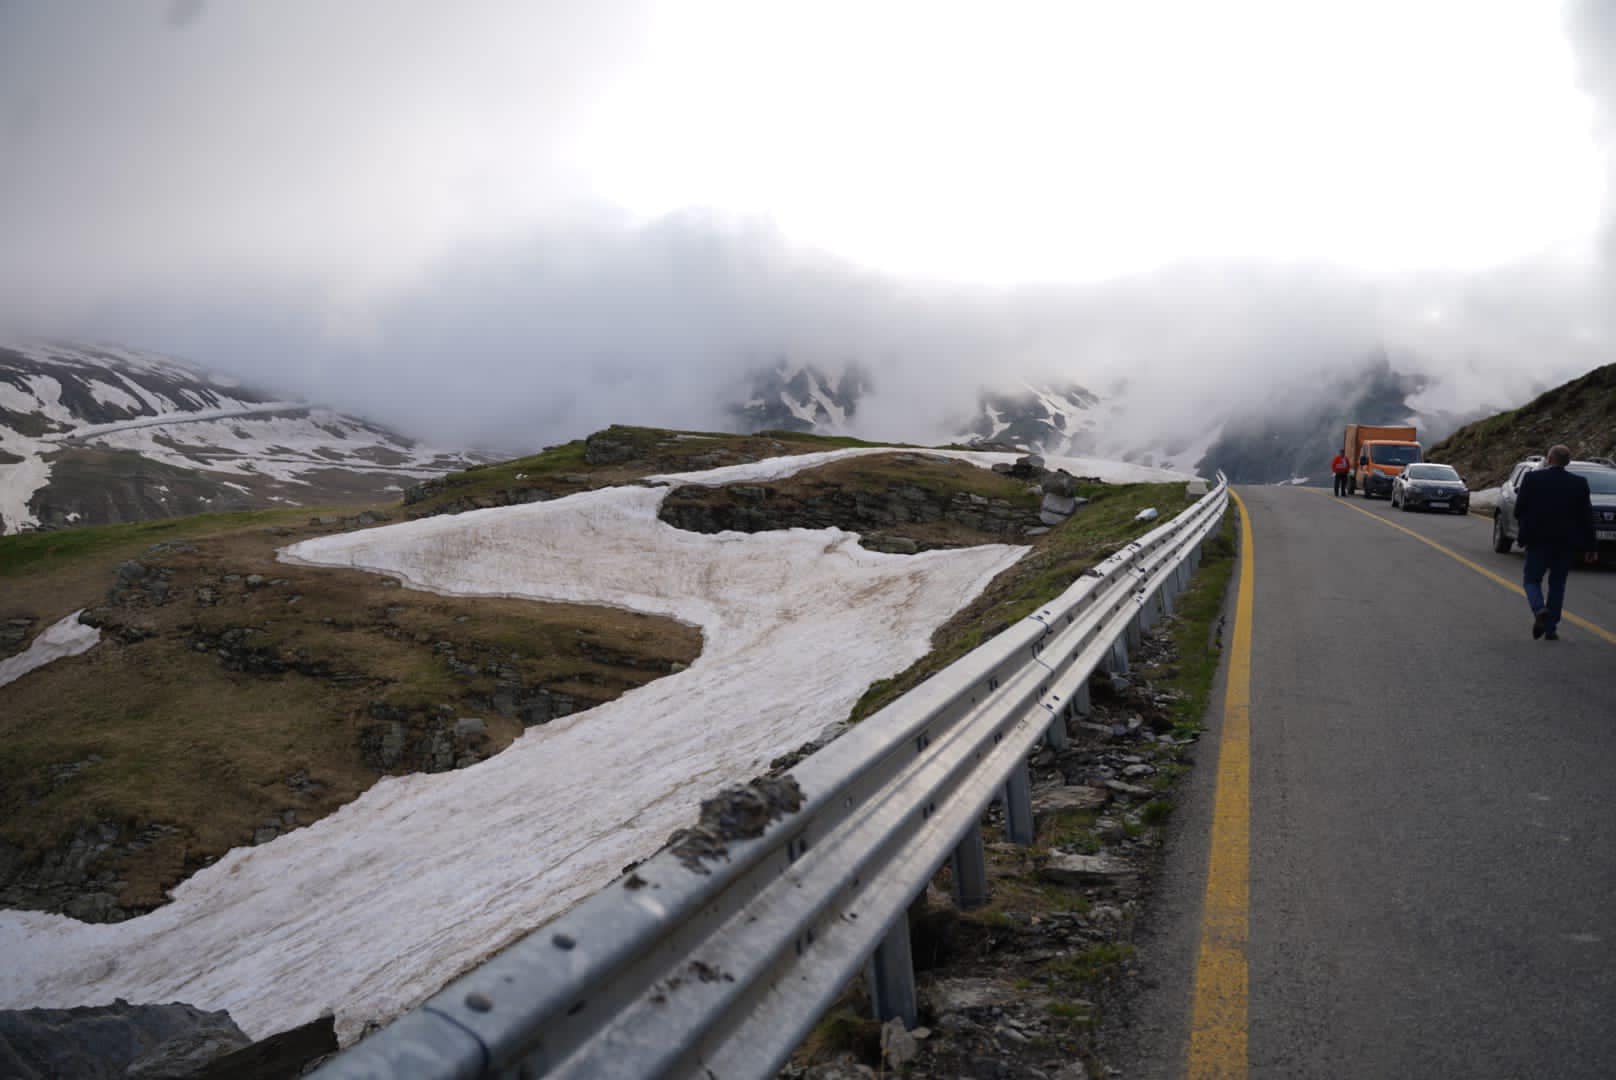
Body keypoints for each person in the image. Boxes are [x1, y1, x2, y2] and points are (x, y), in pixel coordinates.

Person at [1514, 444, 1596, 640]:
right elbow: (1586, 517)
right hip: (1566, 543)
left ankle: (1539, 609)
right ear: (1567, 462)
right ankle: (1551, 629)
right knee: (1557, 584)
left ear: (1549, 459)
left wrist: (1525, 530)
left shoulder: (1532, 479)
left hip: (1537, 540)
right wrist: (1591, 546)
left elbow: (1519, 510)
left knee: (1531, 580)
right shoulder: (1579, 483)